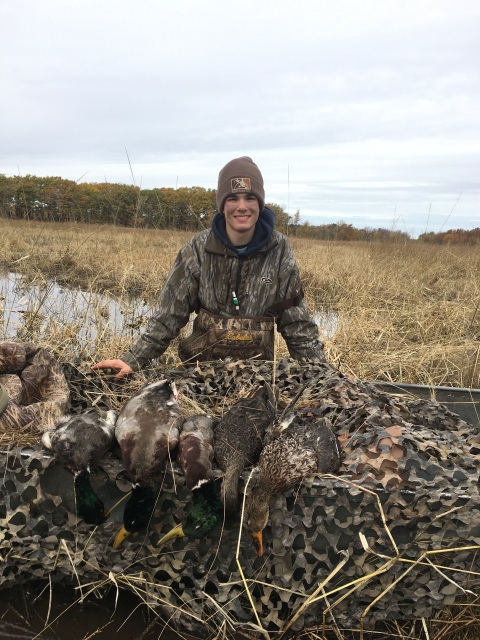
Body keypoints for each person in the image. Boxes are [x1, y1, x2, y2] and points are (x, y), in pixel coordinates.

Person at [93, 157, 326, 379]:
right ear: (222, 204)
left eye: (250, 198)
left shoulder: (279, 249)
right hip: (199, 373)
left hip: (258, 377)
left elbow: (298, 324)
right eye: (233, 198)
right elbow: (168, 315)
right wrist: (133, 359)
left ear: (260, 203)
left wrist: (322, 375)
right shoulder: (197, 248)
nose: (242, 207)